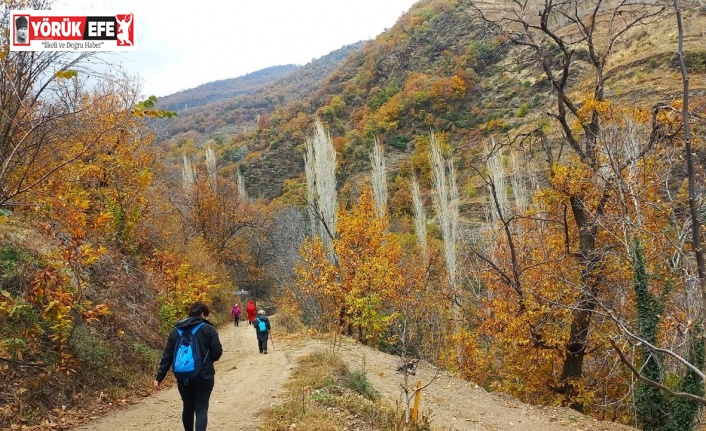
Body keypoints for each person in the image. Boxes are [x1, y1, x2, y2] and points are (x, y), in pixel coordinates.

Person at [154, 302, 223, 431]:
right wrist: (207, 361)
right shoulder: (208, 329)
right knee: (201, 408)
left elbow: (167, 356)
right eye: (206, 316)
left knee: (188, 407)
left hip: (184, 377)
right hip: (204, 375)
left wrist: (159, 377)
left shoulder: (176, 331)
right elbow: (217, 352)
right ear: (203, 314)